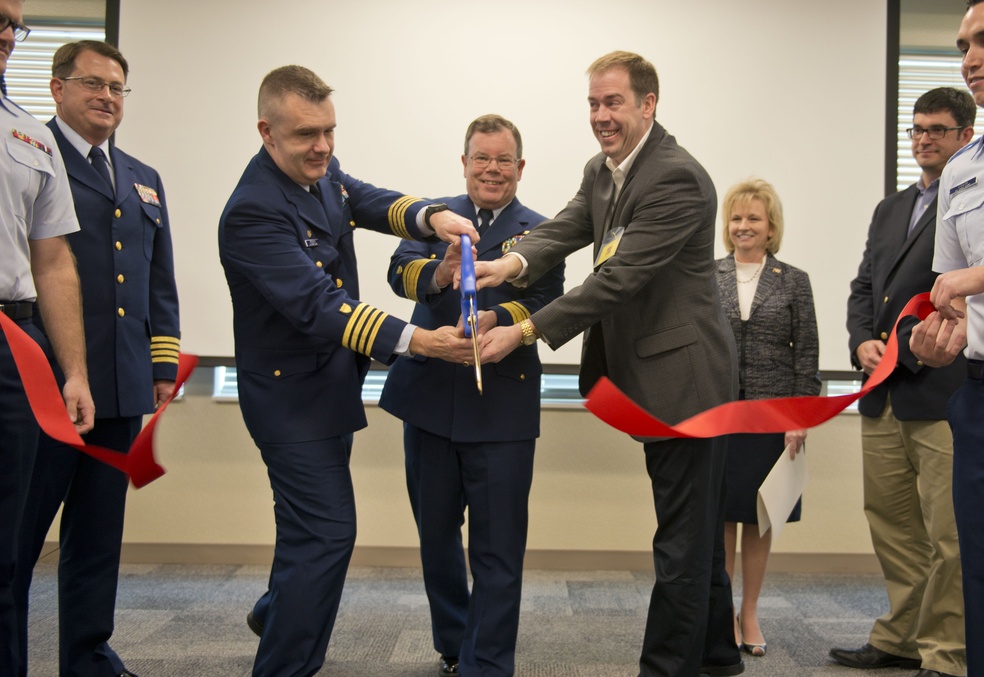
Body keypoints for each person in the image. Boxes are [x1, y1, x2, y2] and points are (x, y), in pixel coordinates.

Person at [476, 51, 743, 677]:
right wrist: (506, 266)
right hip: (656, 376)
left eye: (613, 102)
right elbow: (564, 229)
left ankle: (667, 668)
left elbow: (618, 278)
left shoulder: (677, 177)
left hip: (689, 382)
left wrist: (524, 328)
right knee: (694, 529)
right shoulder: (602, 169)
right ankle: (717, 655)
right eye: (594, 103)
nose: (601, 116)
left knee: (679, 539)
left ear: (648, 104)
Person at [218, 65, 479, 677]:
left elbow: (365, 199)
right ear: (267, 131)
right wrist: (418, 341)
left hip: (329, 391)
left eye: (330, 131)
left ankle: (278, 610)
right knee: (328, 536)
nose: (324, 147)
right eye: (308, 134)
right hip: (289, 406)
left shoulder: (319, 171)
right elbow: (319, 307)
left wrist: (433, 216)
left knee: (307, 535)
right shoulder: (253, 212)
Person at [10, 40, 180, 677]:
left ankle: (87, 658)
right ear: (56, 89)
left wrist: (161, 364)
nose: (107, 97)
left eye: (117, 88)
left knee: (97, 537)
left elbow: (156, 280)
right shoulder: (28, 156)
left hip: (120, 381)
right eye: (92, 84)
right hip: (42, 382)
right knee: (19, 541)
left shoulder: (142, 175)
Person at [379, 114, 564, 677]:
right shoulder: (436, 217)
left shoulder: (542, 229)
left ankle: (487, 663)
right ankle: (456, 645)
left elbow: (550, 300)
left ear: (520, 168)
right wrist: (439, 273)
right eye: (481, 158)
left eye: (502, 160)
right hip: (429, 401)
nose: (491, 169)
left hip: (501, 409)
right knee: (436, 538)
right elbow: (397, 271)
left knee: (498, 547)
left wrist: (497, 315)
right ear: (464, 162)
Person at [834, 88, 975, 677]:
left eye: (938, 130)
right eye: (918, 129)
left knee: (948, 536)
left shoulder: (974, 203)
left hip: (943, 390)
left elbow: (970, 293)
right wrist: (863, 340)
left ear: (967, 136)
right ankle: (902, 635)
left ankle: (945, 654)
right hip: (883, 390)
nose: (924, 139)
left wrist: (907, 351)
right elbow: (865, 285)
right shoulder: (891, 208)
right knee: (892, 524)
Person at [0, 2, 95, 674]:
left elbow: (53, 261)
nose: (7, 34)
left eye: (13, 23)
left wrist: (75, 373)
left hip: (12, 340)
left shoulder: (28, 135)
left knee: (8, 545)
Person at [909, 2, 984, 675]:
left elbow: (974, 274)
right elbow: (951, 291)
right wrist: (935, 338)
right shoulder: (964, 171)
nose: (970, 58)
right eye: (964, 44)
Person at [716, 179, 820, 660]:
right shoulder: (706, 274)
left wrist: (800, 415)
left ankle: (749, 612)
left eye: (753, 218)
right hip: (718, 413)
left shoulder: (793, 279)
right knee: (720, 518)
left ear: (770, 225)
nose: (743, 227)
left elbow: (808, 355)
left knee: (758, 517)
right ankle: (720, 616)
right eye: (736, 218)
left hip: (772, 414)